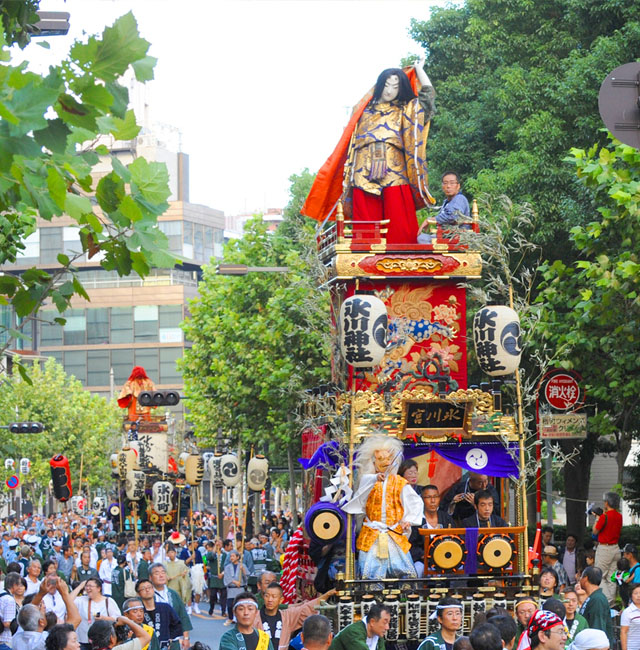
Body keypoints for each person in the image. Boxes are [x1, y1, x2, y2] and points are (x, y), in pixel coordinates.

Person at [302, 61, 436, 245]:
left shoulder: (405, 109)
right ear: (380, 85)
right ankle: (365, 266)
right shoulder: (362, 111)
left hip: (395, 171)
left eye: (395, 87)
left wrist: (419, 69)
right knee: (365, 229)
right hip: (363, 171)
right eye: (387, 85)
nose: (390, 91)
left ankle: (404, 265)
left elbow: (427, 99)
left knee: (401, 226)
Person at [342, 435, 423, 580]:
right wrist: (374, 478)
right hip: (372, 532)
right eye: (380, 459)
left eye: (388, 458)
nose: (385, 462)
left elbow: (415, 501)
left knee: (405, 573)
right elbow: (361, 495)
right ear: (373, 461)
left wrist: (409, 520)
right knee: (371, 574)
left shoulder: (400, 482)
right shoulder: (368, 480)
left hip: (393, 531)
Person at [253, 582, 335, 650]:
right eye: (267, 596)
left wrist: (327, 594)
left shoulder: (287, 616)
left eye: (274, 597)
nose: (270, 600)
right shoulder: (254, 616)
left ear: (281, 600)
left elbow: (306, 608)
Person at [410, 485, 454, 577]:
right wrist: (425, 555)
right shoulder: (416, 520)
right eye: (428, 497)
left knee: (461, 569)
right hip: (423, 560)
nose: (433, 501)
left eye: (435, 497)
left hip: (445, 559)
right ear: (421, 499)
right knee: (416, 572)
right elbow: (411, 545)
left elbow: (455, 540)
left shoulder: (446, 518)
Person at [417, 172, 470, 243]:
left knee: (422, 239)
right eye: (445, 183)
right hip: (446, 235)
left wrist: (430, 220)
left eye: (452, 183)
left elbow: (453, 216)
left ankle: (435, 255)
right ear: (442, 186)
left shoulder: (460, 198)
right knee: (421, 237)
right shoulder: (447, 202)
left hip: (457, 237)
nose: (448, 186)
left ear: (458, 186)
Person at [147, 564, 191, 649]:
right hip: (153, 641)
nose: (161, 575)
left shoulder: (173, 594)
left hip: (173, 640)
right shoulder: (147, 596)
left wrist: (186, 638)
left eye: (163, 572)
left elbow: (183, 615)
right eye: (157, 573)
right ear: (150, 577)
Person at [73, 578, 121, 650]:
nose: (87, 588)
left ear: (99, 588)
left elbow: (118, 619)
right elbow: (68, 601)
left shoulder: (108, 601)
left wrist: (103, 618)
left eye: (90, 586)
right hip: (83, 640)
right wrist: (80, 586)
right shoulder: (81, 600)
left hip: (102, 642)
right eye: (86, 586)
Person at [592, 492, 622, 605]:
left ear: (607, 502)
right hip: (616, 548)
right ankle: (612, 603)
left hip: (605, 549)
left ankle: (608, 600)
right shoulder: (619, 516)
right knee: (612, 577)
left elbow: (595, 531)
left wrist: (597, 518)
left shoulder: (605, 517)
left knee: (599, 575)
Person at [133, 581, 182, 650]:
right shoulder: (138, 612)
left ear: (153, 589)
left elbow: (177, 624)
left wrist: (170, 638)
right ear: (138, 594)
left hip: (164, 645)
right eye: (143, 589)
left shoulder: (165, 607)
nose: (147, 590)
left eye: (149, 587)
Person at [579, 566, 614, 648]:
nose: (579, 579)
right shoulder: (593, 597)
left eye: (581, 576)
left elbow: (597, 628)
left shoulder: (597, 599)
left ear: (585, 578)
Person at [224, 551, 249, 625]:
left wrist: (243, 570)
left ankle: (238, 618)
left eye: (233, 556)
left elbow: (247, 577)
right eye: (231, 556)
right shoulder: (227, 567)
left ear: (238, 557)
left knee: (239, 604)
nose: (231, 558)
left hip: (240, 589)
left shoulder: (242, 565)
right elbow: (226, 578)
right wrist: (235, 582)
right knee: (230, 605)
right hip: (231, 588)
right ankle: (230, 618)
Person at [621, 583, 640, 650]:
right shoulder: (627, 612)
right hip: (632, 647)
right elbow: (623, 632)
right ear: (631, 595)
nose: (638, 596)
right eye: (635, 593)